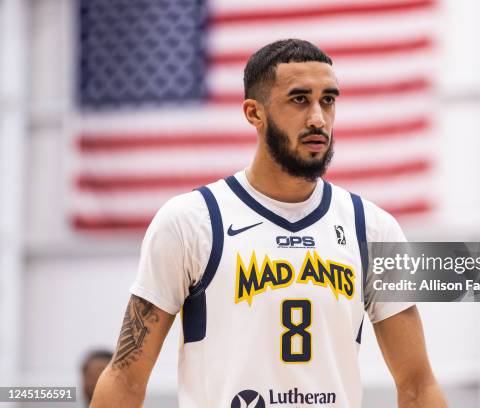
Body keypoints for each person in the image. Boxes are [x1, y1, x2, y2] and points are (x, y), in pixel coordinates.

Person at [91, 39, 446, 407]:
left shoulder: (371, 228)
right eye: (299, 99)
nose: (317, 118)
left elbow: (417, 384)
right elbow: (126, 377)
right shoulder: (191, 222)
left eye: (328, 100)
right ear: (253, 113)